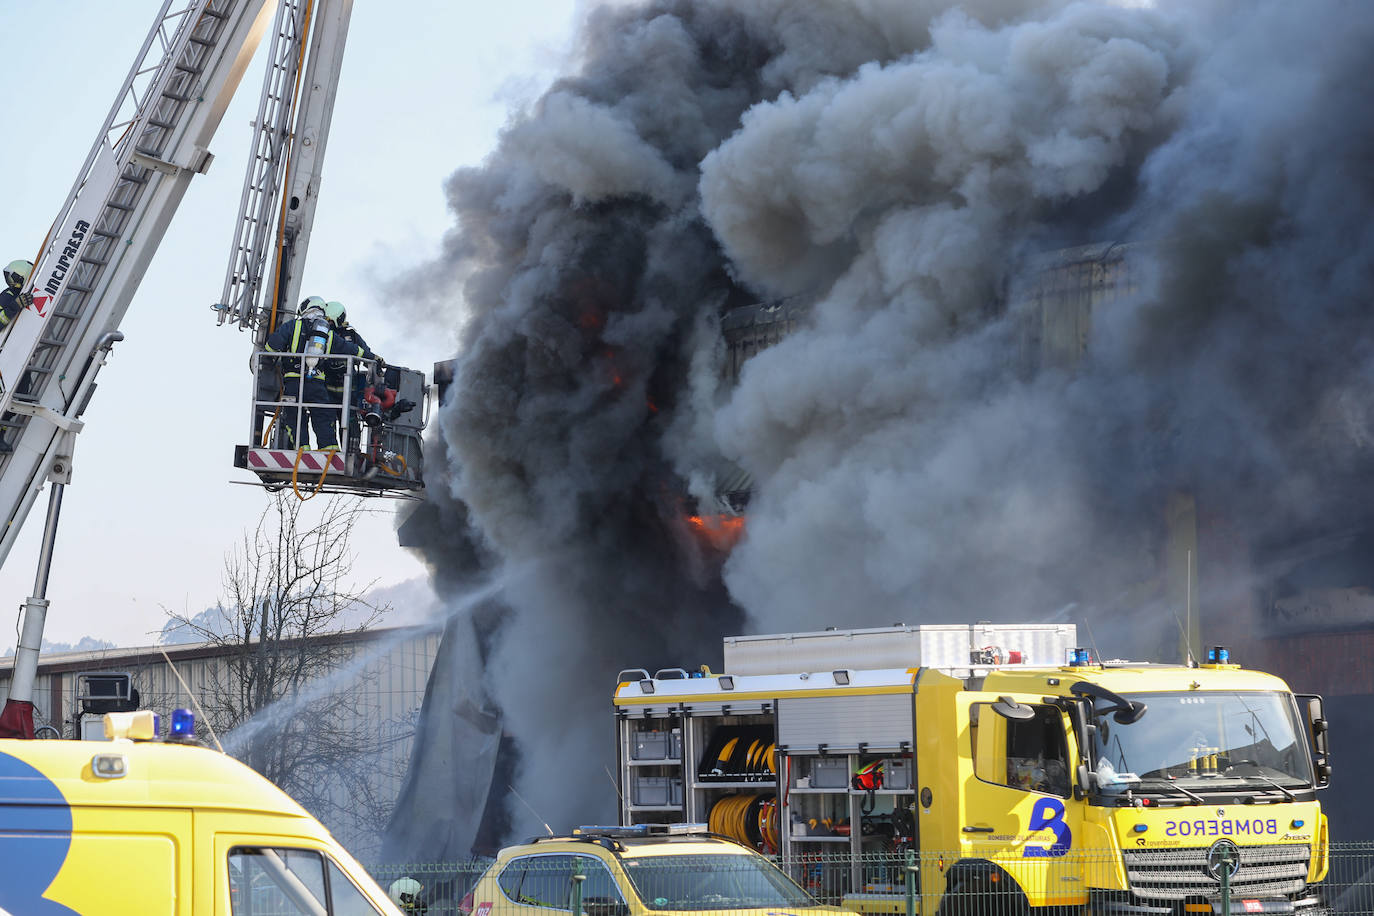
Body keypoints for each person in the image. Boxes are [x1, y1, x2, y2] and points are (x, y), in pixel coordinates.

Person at [263, 296, 366, 450]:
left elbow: (271, 348)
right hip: (317, 384)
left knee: (294, 415)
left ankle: (302, 449)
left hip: (293, 384)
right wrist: (373, 357)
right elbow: (351, 349)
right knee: (323, 416)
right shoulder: (326, 333)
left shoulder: (292, 326)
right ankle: (329, 449)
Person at [0, 259, 34, 330]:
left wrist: (15, 305)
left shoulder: (9, 294)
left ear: (18, 278)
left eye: (10, 276)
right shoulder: (9, 294)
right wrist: (15, 305)